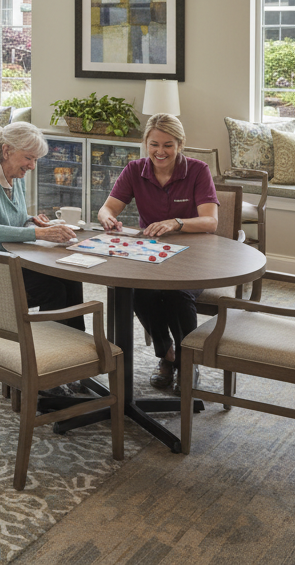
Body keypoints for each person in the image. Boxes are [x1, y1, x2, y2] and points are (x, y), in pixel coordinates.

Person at [96, 113, 219, 393]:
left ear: (180, 144)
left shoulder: (198, 170)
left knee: (177, 294)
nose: (160, 151)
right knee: (138, 290)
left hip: (194, 256)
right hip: (151, 255)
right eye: (154, 144)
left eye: (168, 145)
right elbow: (108, 208)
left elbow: (210, 222)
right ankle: (168, 355)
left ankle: (188, 363)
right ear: (146, 143)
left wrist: (176, 223)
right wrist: (106, 217)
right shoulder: (134, 170)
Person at [0, 122, 86, 329]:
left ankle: (75, 344)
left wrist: (31, 220)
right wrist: (39, 233)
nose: (32, 166)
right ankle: (46, 346)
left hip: (11, 258)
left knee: (70, 278)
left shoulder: (16, 178)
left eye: (35, 159)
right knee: (54, 290)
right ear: (6, 151)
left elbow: (10, 217)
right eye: (28, 158)